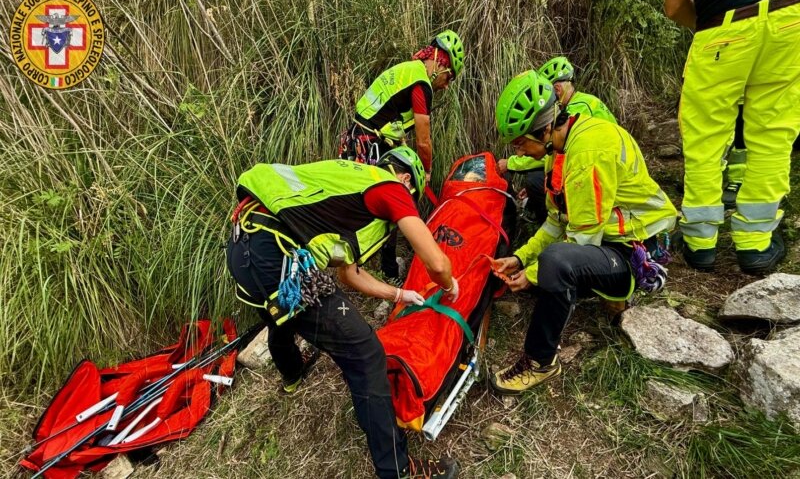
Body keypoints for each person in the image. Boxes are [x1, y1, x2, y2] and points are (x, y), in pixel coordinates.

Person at [226, 147, 460, 478]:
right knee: (365, 353)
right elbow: (437, 264)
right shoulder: (390, 188)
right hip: (276, 255)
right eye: (413, 196)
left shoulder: (349, 186)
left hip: (243, 248)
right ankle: (398, 469)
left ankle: (292, 374)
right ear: (405, 178)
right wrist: (450, 285)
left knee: (281, 314)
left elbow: (349, 274)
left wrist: (399, 293)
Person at [489, 71, 677, 394]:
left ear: (545, 128)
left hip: (633, 248)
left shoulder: (587, 153)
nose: (518, 152)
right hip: (608, 239)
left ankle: (539, 361)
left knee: (556, 263)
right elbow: (555, 222)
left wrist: (533, 273)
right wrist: (520, 259)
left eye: (521, 143)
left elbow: (580, 239)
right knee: (549, 265)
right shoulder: (559, 151)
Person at [665, 0, 800, 274]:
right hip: (791, 17)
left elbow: (675, 6)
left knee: (705, 141)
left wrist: (713, 30)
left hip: (724, 25)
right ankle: (756, 243)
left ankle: (700, 243)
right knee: (774, 134)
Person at [340, 30, 465, 284]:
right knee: (395, 198)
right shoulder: (421, 84)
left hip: (360, 138)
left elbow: (391, 115)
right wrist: (427, 170)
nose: (447, 84)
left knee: (363, 201)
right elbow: (424, 139)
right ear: (441, 61)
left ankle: (361, 262)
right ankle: (385, 272)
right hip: (370, 143)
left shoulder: (408, 70)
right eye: (449, 76)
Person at [497, 57, 617, 226]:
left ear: (557, 89)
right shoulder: (578, 104)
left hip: (612, 205)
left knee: (535, 180)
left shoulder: (578, 111)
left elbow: (553, 156)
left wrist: (511, 163)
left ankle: (555, 221)